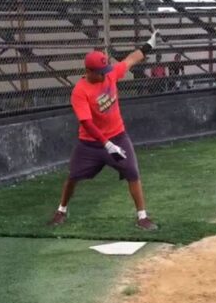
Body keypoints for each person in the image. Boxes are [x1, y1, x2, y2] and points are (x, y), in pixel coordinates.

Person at [48, 31, 162, 231]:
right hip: (90, 144)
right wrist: (107, 145)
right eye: (100, 72)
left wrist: (149, 44)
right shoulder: (80, 92)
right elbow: (87, 123)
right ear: (89, 71)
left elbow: (130, 60)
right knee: (73, 176)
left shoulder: (109, 74)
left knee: (132, 172)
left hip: (118, 135)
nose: (105, 74)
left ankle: (142, 216)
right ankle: (61, 210)